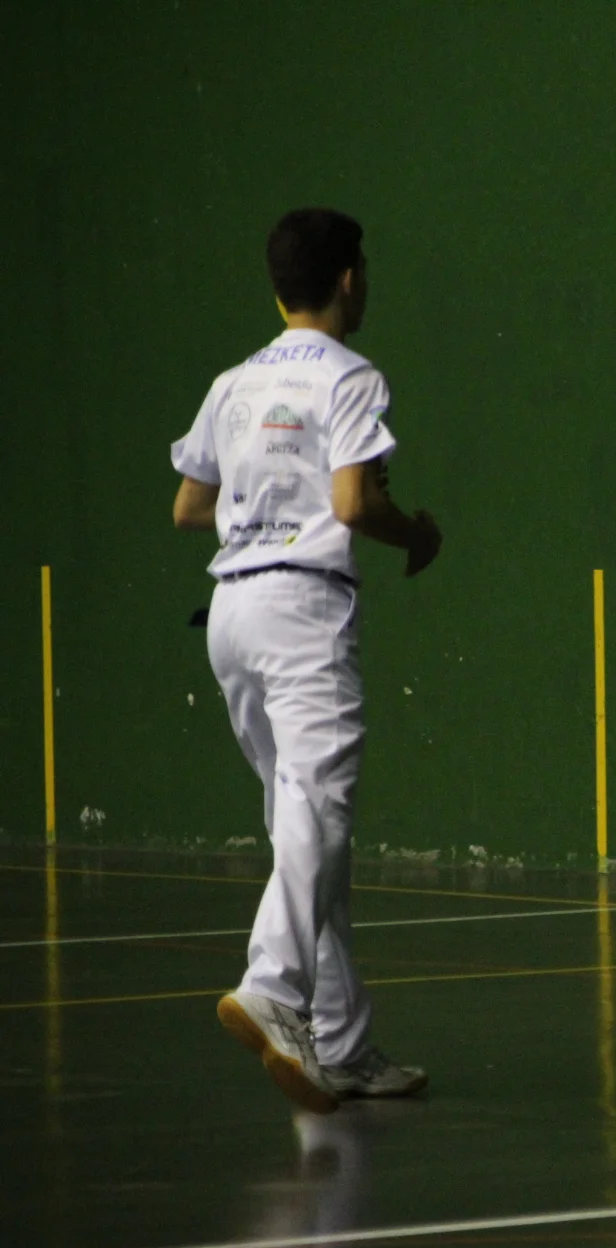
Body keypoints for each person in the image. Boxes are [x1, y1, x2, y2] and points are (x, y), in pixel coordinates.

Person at [170, 208, 442, 1113]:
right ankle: (272, 988)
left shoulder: (234, 382)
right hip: (301, 612)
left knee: (304, 829)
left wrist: (268, 495)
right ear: (350, 279)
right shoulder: (350, 376)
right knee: (316, 815)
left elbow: (190, 505)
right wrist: (417, 534)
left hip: (232, 616)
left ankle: (343, 1044)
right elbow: (355, 504)